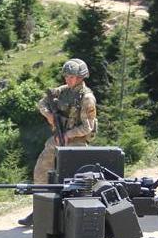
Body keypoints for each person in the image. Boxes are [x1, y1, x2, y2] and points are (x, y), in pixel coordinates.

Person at [18, 58, 98, 226]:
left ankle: (73, 215)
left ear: (81, 77)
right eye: (66, 76)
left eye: (72, 77)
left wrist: (68, 134)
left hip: (77, 142)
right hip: (58, 139)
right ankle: (40, 210)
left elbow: (88, 127)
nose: (67, 79)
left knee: (73, 180)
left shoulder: (87, 98)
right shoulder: (62, 91)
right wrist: (48, 115)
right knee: (41, 170)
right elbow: (42, 102)